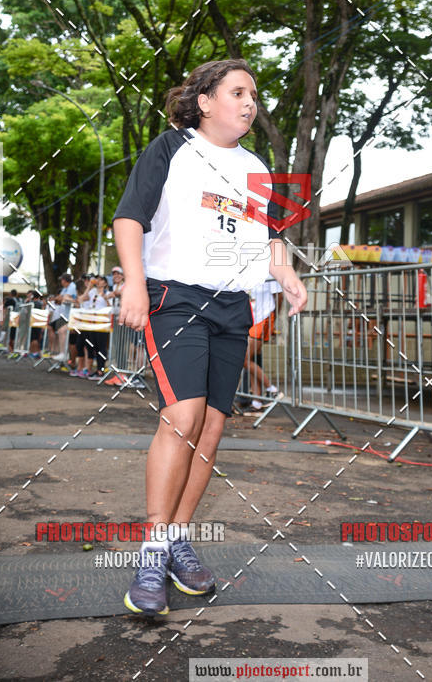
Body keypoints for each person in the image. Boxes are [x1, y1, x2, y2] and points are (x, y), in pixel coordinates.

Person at [113, 58, 307, 617]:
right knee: (183, 415)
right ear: (205, 101)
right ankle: (151, 551)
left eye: (253, 95)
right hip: (176, 296)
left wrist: (286, 271)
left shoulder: (258, 168)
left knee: (213, 425)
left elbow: (269, 235)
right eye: (238, 92)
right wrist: (133, 283)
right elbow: (130, 218)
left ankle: (177, 538)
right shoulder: (171, 148)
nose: (250, 103)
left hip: (233, 306)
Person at [243, 279, 283, 410]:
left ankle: (272, 389)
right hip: (253, 319)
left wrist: (273, 320)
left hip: (264, 317)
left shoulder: (269, 270)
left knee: (245, 359)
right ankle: (257, 401)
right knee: (251, 360)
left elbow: (279, 296)